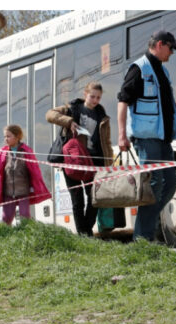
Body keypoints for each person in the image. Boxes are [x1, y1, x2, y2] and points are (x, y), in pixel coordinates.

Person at [116, 30, 176, 241]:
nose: (172, 53)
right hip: (146, 138)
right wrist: (121, 135)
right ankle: (143, 238)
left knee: (170, 183)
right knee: (154, 184)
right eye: (171, 48)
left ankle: (145, 231)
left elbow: (162, 104)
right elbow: (122, 101)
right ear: (160, 44)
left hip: (164, 138)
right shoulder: (139, 69)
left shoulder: (162, 72)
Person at [46, 82, 114, 236]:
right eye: (92, 96)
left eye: (98, 97)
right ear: (85, 94)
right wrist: (69, 121)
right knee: (77, 200)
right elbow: (50, 114)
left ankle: (85, 232)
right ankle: (84, 235)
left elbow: (107, 142)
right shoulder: (72, 109)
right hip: (72, 160)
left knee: (94, 198)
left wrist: (109, 165)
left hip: (94, 162)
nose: (95, 100)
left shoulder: (102, 116)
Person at [0, 125, 51, 224]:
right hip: (8, 192)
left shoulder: (26, 151)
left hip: (23, 191)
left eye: (8, 136)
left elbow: (34, 171)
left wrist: (33, 187)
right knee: (6, 218)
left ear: (17, 136)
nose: (6, 139)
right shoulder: (2, 153)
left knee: (24, 216)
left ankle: (27, 236)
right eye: (5, 136)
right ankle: (5, 237)